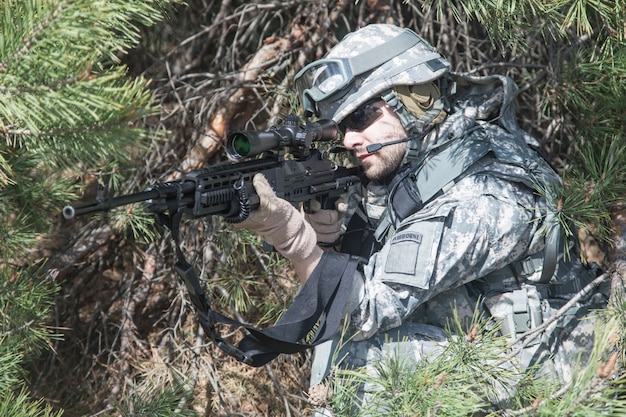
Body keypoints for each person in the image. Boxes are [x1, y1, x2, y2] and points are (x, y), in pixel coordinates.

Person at [235, 24, 607, 414]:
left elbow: (364, 309)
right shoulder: (412, 167)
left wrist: (293, 238)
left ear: (416, 98)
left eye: (362, 115)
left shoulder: (483, 192)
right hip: (482, 347)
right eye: (342, 127)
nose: (348, 140)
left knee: (361, 366)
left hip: (548, 374)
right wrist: (324, 241)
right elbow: (356, 279)